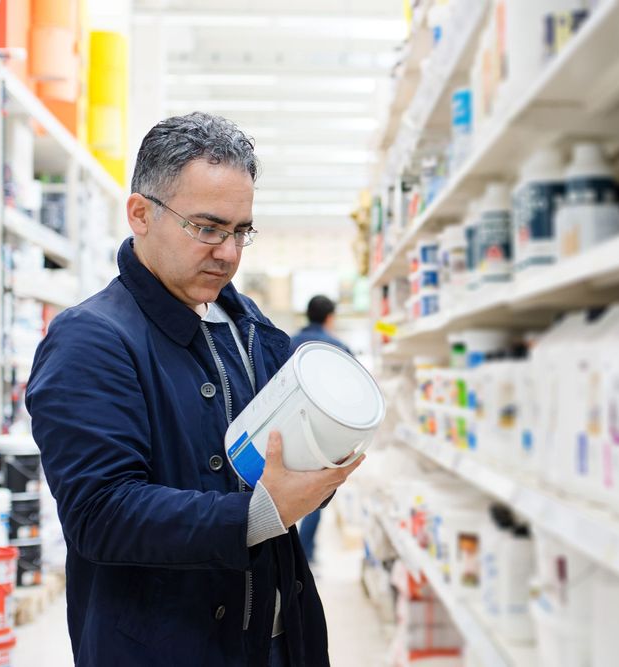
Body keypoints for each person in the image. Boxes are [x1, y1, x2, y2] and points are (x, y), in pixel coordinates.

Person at [25, 112, 364, 667]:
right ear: (140, 214)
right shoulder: (90, 340)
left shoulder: (251, 325)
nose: (228, 252)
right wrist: (261, 512)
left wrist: (321, 462)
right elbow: (100, 513)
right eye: (207, 228)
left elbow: (282, 468)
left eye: (240, 231)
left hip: (278, 641)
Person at [289, 295, 351, 563]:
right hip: (325, 433)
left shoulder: (288, 342)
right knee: (317, 492)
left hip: (288, 428)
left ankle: (286, 552)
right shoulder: (338, 347)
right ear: (330, 317)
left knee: (278, 492)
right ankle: (306, 553)